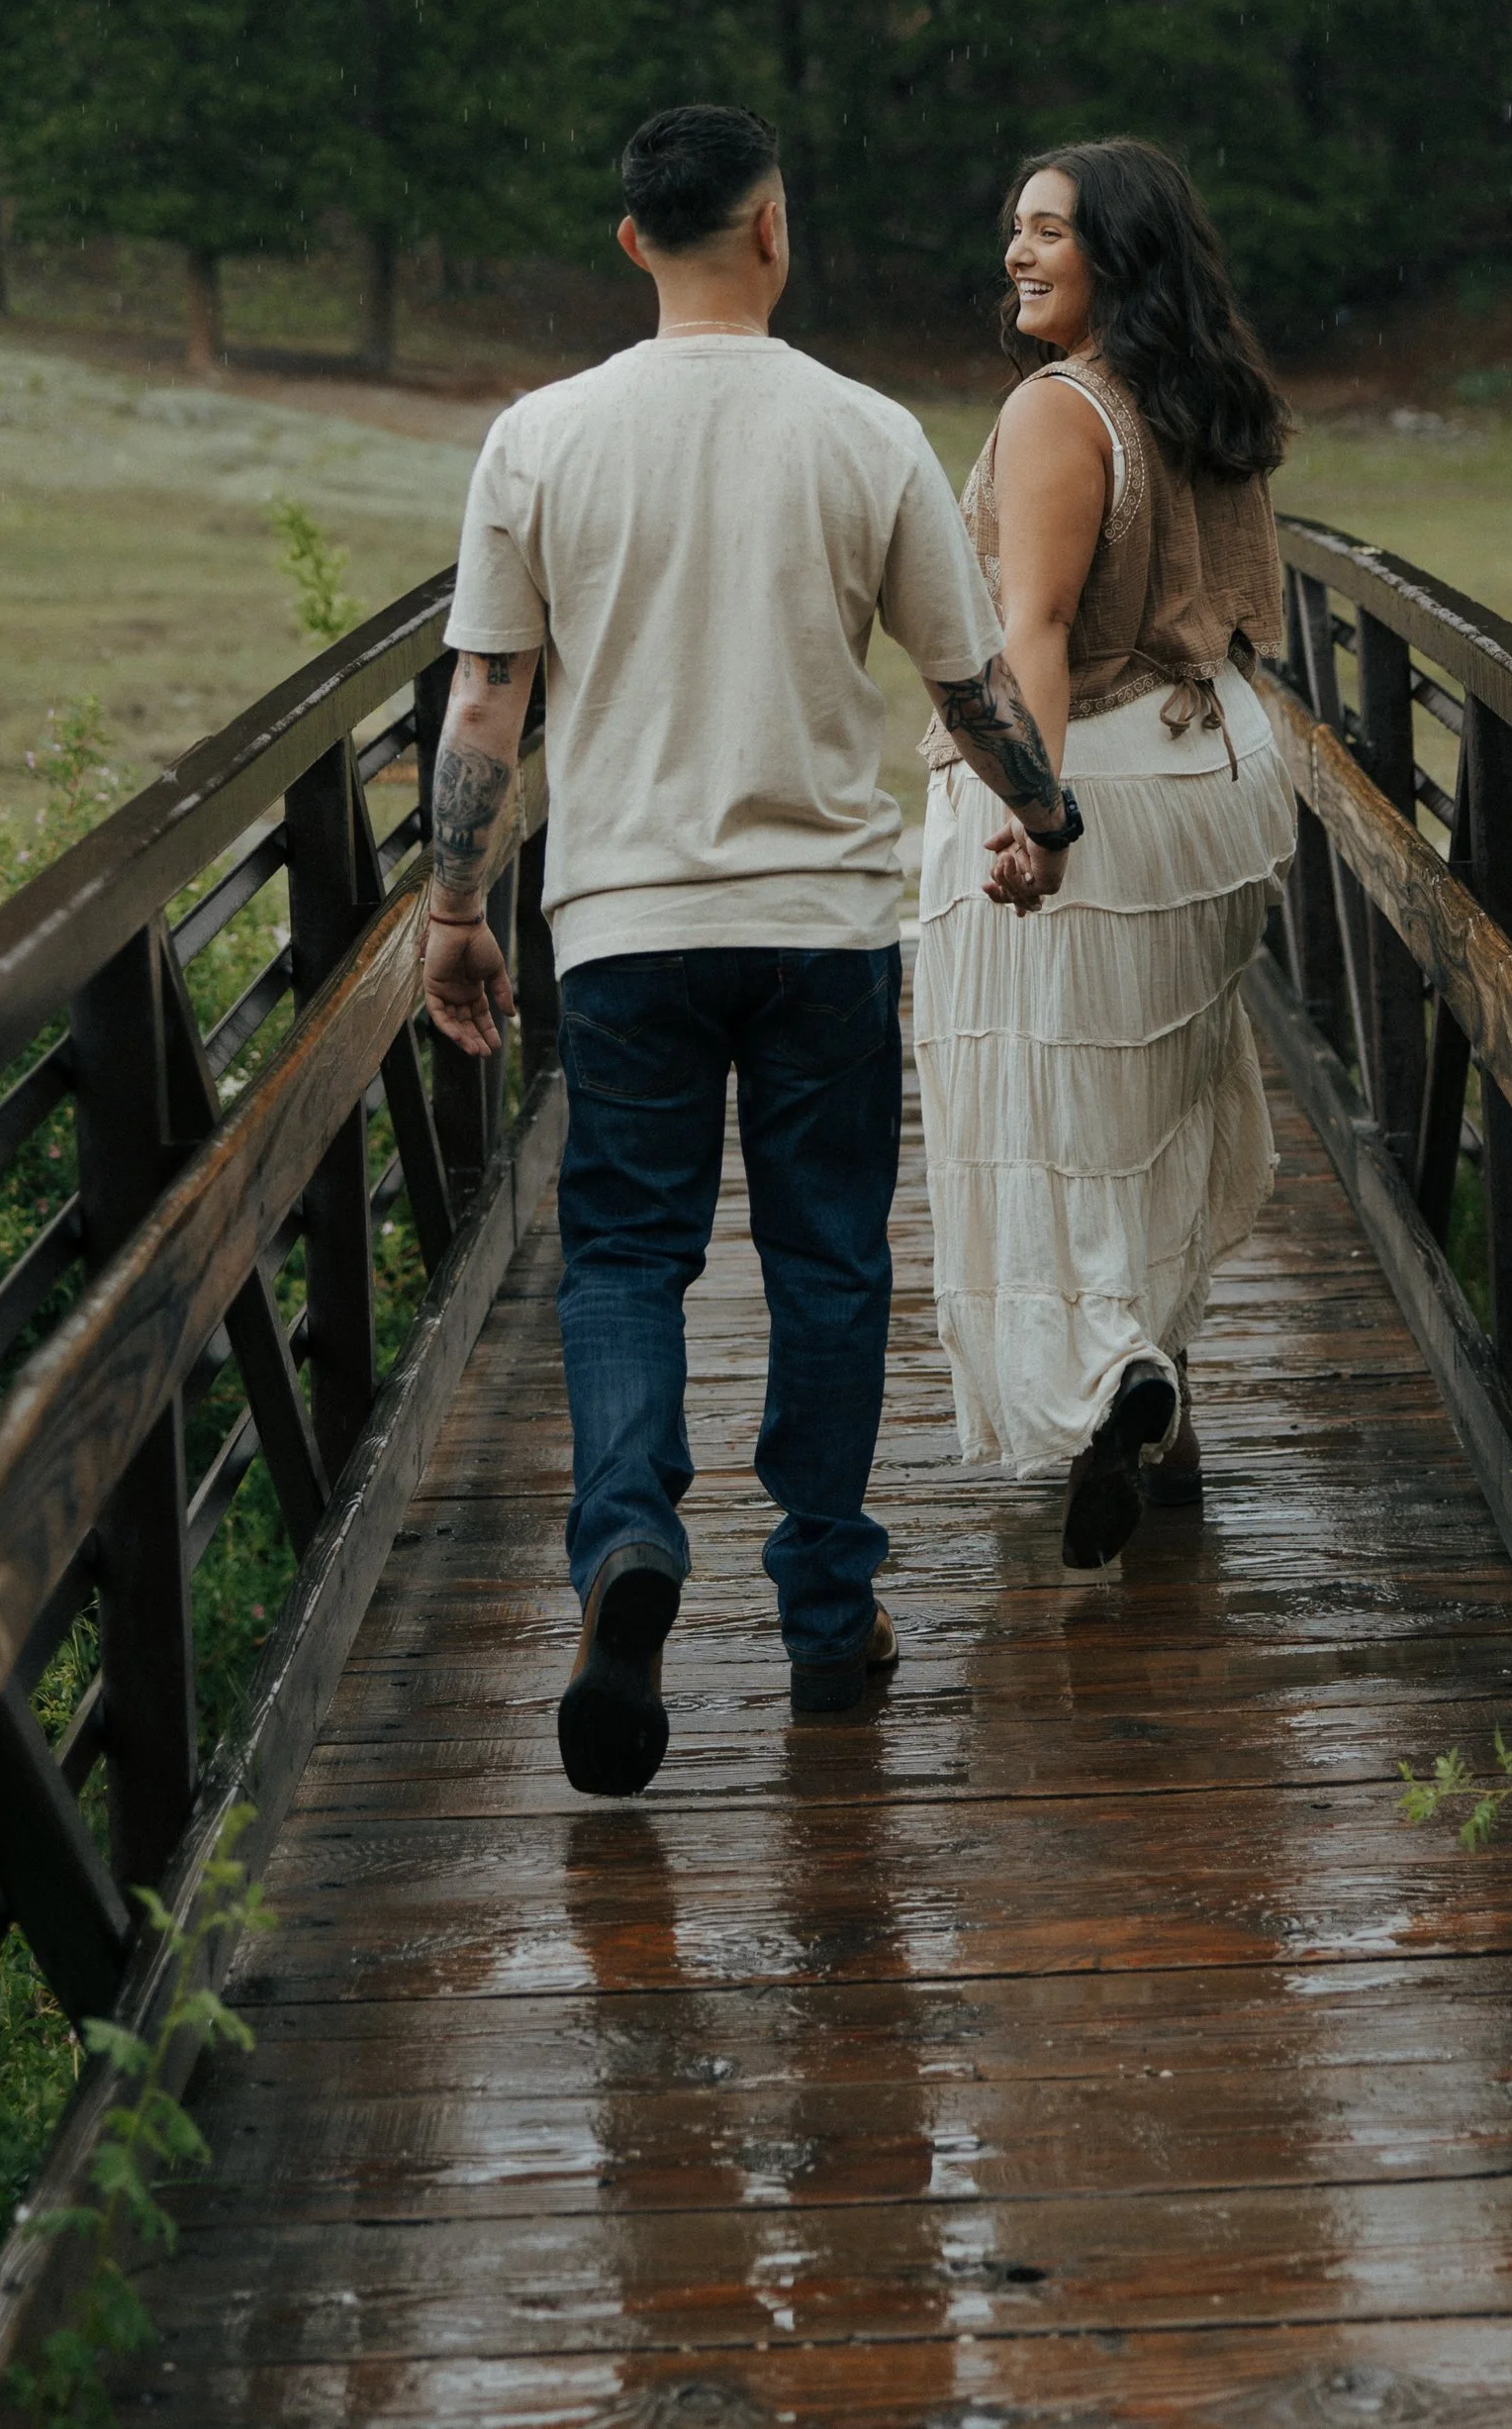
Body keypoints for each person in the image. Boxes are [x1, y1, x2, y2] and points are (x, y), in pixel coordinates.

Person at [420, 104, 1081, 1800]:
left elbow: (487, 697)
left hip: (625, 924)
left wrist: (454, 907)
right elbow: (966, 684)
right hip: (823, 930)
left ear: (633, 242)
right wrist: (1046, 816)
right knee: (826, 1263)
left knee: (628, 1258)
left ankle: (629, 1545)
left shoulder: (538, 438)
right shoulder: (865, 435)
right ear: (774, 230)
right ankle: (824, 1618)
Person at [914, 137, 1296, 1570]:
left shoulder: (1058, 410)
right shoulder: (1205, 397)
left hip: (1103, 790)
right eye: (1013, 228)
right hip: (1221, 778)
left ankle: (1113, 1379)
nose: (1018, 253)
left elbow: (1039, 629)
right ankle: (1165, 1415)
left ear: (1114, 255)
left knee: (1051, 1112)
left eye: (1050, 232)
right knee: (1156, 1099)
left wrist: (1031, 810)